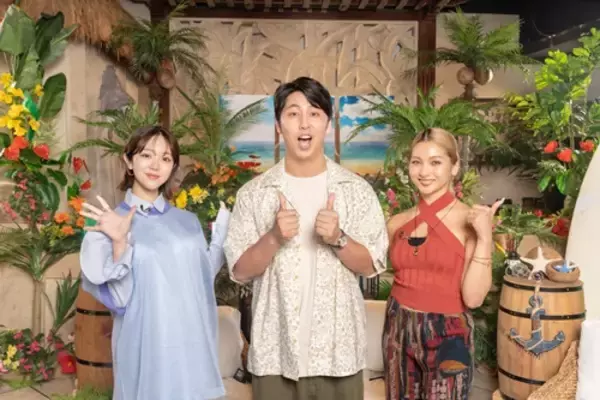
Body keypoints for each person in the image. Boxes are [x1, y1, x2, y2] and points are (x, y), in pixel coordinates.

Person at [223, 76, 388, 400]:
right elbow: (239, 270)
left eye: (314, 113)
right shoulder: (255, 194)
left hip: (339, 356)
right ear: (278, 125)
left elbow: (372, 265)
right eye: (293, 113)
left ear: (328, 123)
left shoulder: (355, 191)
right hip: (275, 355)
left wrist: (339, 238)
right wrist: (273, 237)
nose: (304, 123)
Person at [78, 126, 230, 400]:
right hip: (145, 348)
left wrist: (222, 237)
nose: (156, 165)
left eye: (166, 158)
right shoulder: (109, 224)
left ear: (173, 167)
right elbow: (119, 301)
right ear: (128, 161)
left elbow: (201, 283)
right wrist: (120, 242)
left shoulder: (188, 222)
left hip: (191, 347)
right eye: (147, 155)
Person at [382, 127, 502, 400]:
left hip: (449, 334)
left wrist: (485, 237)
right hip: (397, 325)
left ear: (454, 167)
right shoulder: (396, 223)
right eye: (417, 162)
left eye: (435, 162)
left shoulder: (470, 222)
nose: (424, 172)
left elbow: (473, 298)